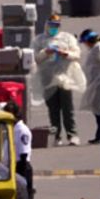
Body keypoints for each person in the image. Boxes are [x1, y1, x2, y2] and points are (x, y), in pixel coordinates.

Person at [34, 14, 86, 146]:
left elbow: (77, 54)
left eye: (56, 26)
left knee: (67, 108)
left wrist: (65, 53)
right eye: (51, 25)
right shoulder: (40, 40)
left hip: (65, 78)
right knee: (53, 109)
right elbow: (36, 58)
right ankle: (56, 136)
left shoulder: (67, 38)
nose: (53, 28)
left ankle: (72, 135)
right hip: (48, 78)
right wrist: (46, 52)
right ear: (46, 25)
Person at [6, 102, 35, 198]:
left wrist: (20, 176)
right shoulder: (13, 129)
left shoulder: (22, 131)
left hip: (21, 167)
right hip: (14, 167)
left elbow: (24, 154)